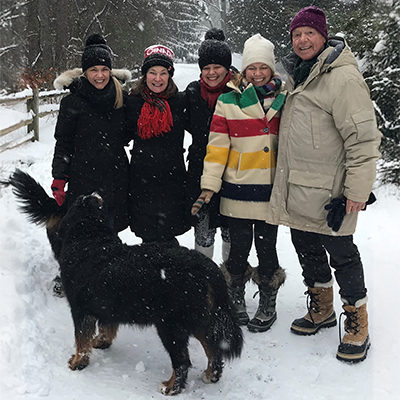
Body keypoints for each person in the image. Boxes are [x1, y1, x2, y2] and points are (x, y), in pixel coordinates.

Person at [266, 6, 381, 362]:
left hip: (332, 193)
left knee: (343, 256)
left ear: (323, 36)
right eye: (297, 34)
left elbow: (362, 139)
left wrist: (356, 191)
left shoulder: (342, 78)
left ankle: (356, 319)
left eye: (309, 33)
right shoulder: (296, 76)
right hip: (299, 187)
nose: (302, 40)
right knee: (305, 247)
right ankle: (322, 308)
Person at [192, 34, 286, 333]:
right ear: (242, 70)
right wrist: (209, 185)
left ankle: (268, 301)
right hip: (239, 189)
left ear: (272, 70)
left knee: (267, 248)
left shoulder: (286, 99)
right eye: (251, 68)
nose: (257, 73)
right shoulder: (228, 100)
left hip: (271, 190)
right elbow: (217, 147)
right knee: (239, 249)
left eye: (263, 67)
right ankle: (235, 297)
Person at [51, 34, 131, 295]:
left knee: (107, 230)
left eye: (105, 69)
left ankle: (103, 276)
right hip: (82, 176)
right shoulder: (72, 103)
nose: (100, 75)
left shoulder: (121, 100)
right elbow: (63, 142)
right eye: (94, 70)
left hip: (114, 176)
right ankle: (70, 271)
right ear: (84, 73)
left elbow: (130, 133)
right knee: (77, 229)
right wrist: (59, 177)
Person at [126, 45, 190, 245]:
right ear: (145, 75)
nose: (157, 78)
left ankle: (169, 274)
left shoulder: (180, 102)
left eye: (163, 73)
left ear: (170, 75)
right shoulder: (133, 102)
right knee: (147, 236)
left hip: (172, 180)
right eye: (152, 72)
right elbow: (117, 134)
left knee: (169, 236)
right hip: (141, 180)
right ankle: (150, 274)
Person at [185, 28, 233, 262]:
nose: (211, 73)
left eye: (217, 67)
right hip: (200, 172)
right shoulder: (193, 92)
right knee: (203, 231)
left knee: (231, 231)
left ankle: (230, 282)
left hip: (234, 172)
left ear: (227, 68)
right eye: (206, 67)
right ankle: (202, 283)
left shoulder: (239, 92)